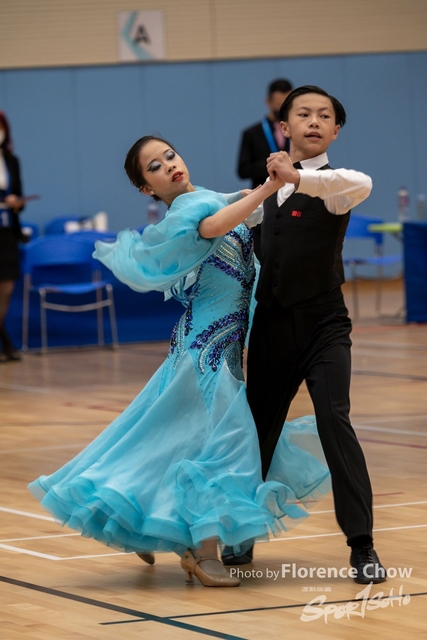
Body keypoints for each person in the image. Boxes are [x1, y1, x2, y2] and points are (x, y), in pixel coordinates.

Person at [29, 135, 331, 588]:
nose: (169, 165)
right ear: (146, 188)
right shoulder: (186, 213)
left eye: (169, 155)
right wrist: (268, 188)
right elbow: (214, 225)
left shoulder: (208, 197)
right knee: (223, 442)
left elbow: (239, 211)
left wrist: (278, 184)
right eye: (154, 167)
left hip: (221, 347)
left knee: (171, 438)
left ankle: (146, 523)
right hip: (205, 350)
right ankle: (203, 553)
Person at [222, 85, 386, 585]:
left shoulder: (338, 184)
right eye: (304, 114)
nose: (314, 121)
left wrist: (296, 177)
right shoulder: (264, 193)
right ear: (284, 127)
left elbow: (358, 182)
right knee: (257, 432)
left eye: (324, 116)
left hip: (324, 326)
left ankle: (362, 545)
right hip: (271, 327)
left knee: (335, 421)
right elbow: (223, 220)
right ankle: (240, 531)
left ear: (335, 131)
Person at [0, 111, 25, 362]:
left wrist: (16, 203)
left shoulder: (11, 161)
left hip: (7, 231)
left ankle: (4, 340)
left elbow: (20, 195)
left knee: (6, 288)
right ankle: (6, 343)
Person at [237, 78, 293, 189]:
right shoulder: (251, 133)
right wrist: (273, 163)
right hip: (263, 193)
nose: (282, 110)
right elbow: (243, 171)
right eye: (278, 105)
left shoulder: (298, 131)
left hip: (294, 191)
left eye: (286, 105)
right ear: (268, 102)